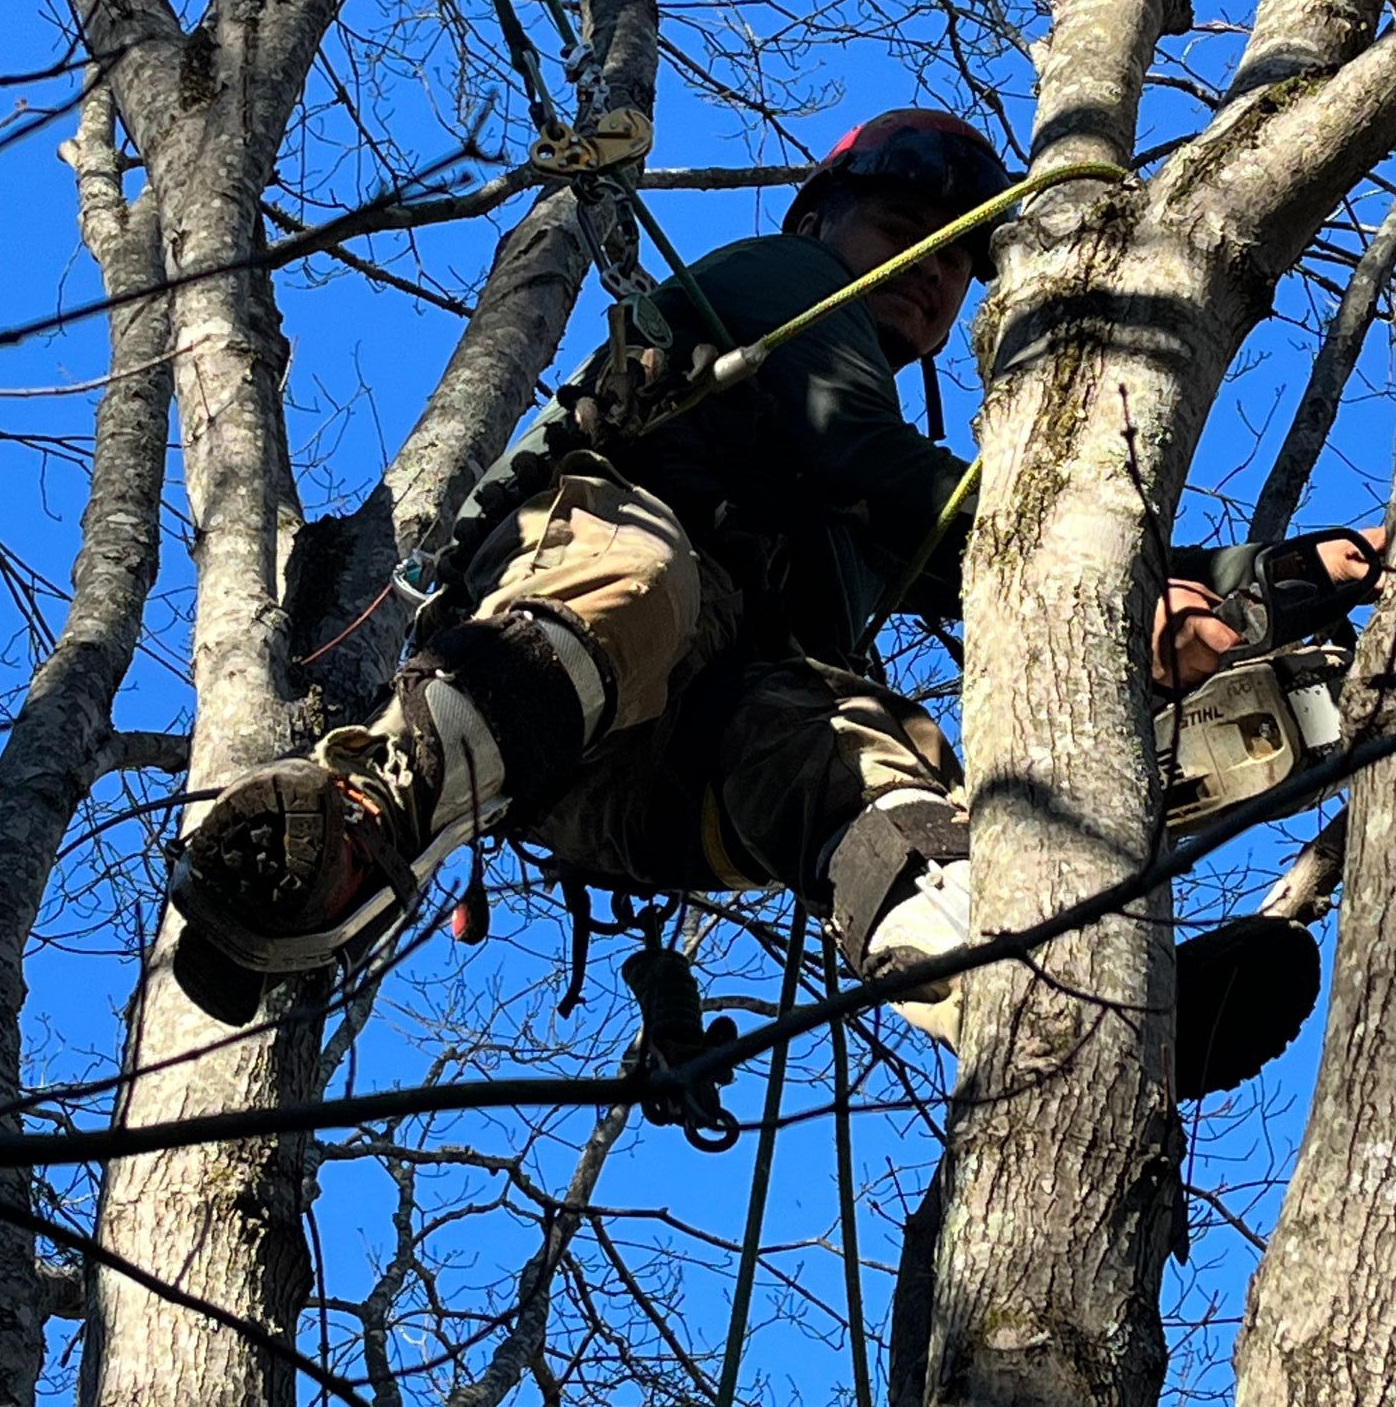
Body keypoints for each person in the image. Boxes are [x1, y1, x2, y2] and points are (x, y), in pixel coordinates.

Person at [171, 110, 1373, 1093]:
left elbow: (1054, 580)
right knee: (643, 575)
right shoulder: (778, 289)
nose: (936, 272)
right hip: (563, 644)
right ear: (822, 216)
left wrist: (1313, 576)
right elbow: (930, 493)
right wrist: (1117, 580)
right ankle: (370, 812)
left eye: (960, 261)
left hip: (649, 795)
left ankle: (1050, 1001)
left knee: (845, 752)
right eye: (909, 231)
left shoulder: (870, 510)